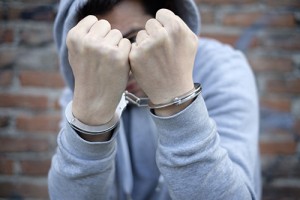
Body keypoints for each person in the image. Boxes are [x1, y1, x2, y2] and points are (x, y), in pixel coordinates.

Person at [48, 0, 261, 199]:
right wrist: (90, 120)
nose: (119, 62)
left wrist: (176, 99)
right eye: (101, 50)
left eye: (133, 39)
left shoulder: (222, 68)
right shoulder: (85, 89)